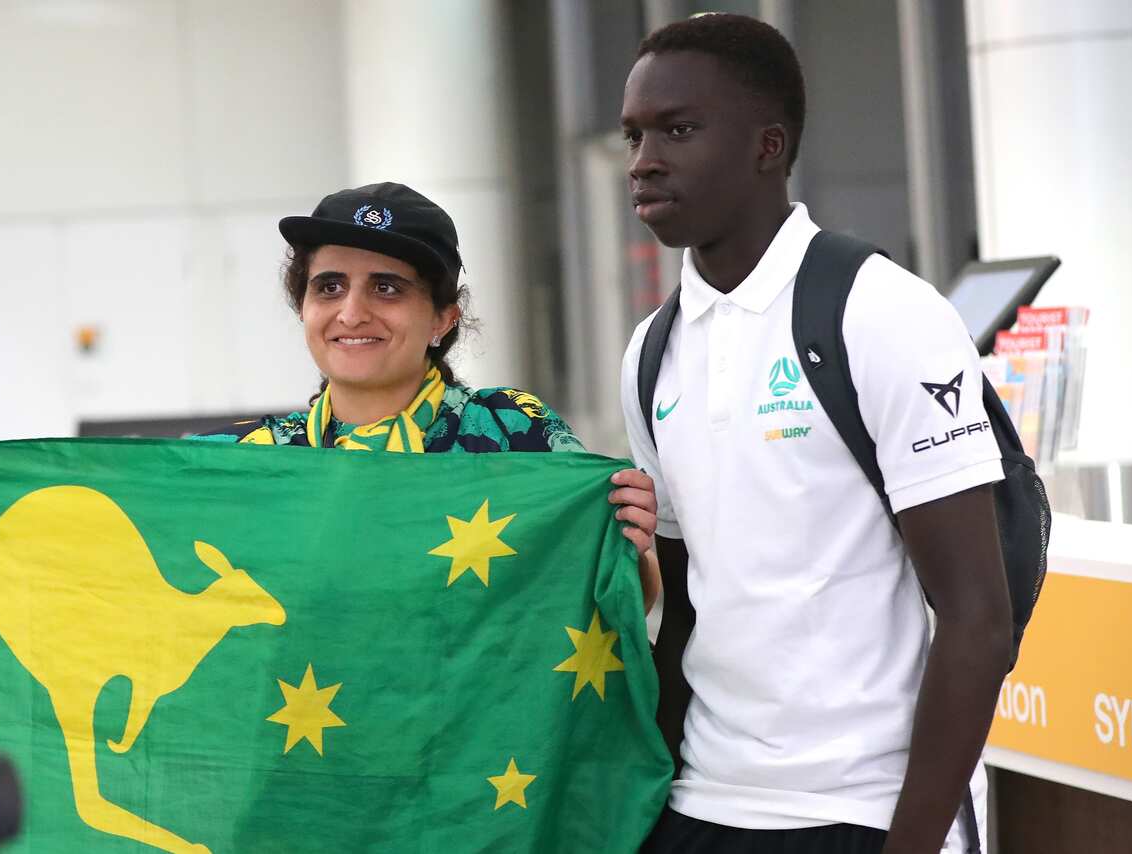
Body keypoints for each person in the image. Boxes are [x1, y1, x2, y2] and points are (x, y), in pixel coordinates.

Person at [619, 14, 1010, 854]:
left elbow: (979, 618)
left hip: (867, 810)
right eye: (634, 134)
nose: (643, 160)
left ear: (768, 146)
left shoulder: (881, 311)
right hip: (703, 805)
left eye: (678, 130)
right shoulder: (649, 353)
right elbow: (688, 605)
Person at [197, 182, 660, 610]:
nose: (352, 313)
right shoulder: (244, 460)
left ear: (443, 318)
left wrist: (626, 542)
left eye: (386, 288)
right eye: (329, 287)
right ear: (304, 307)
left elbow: (618, 607)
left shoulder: (511, 429)